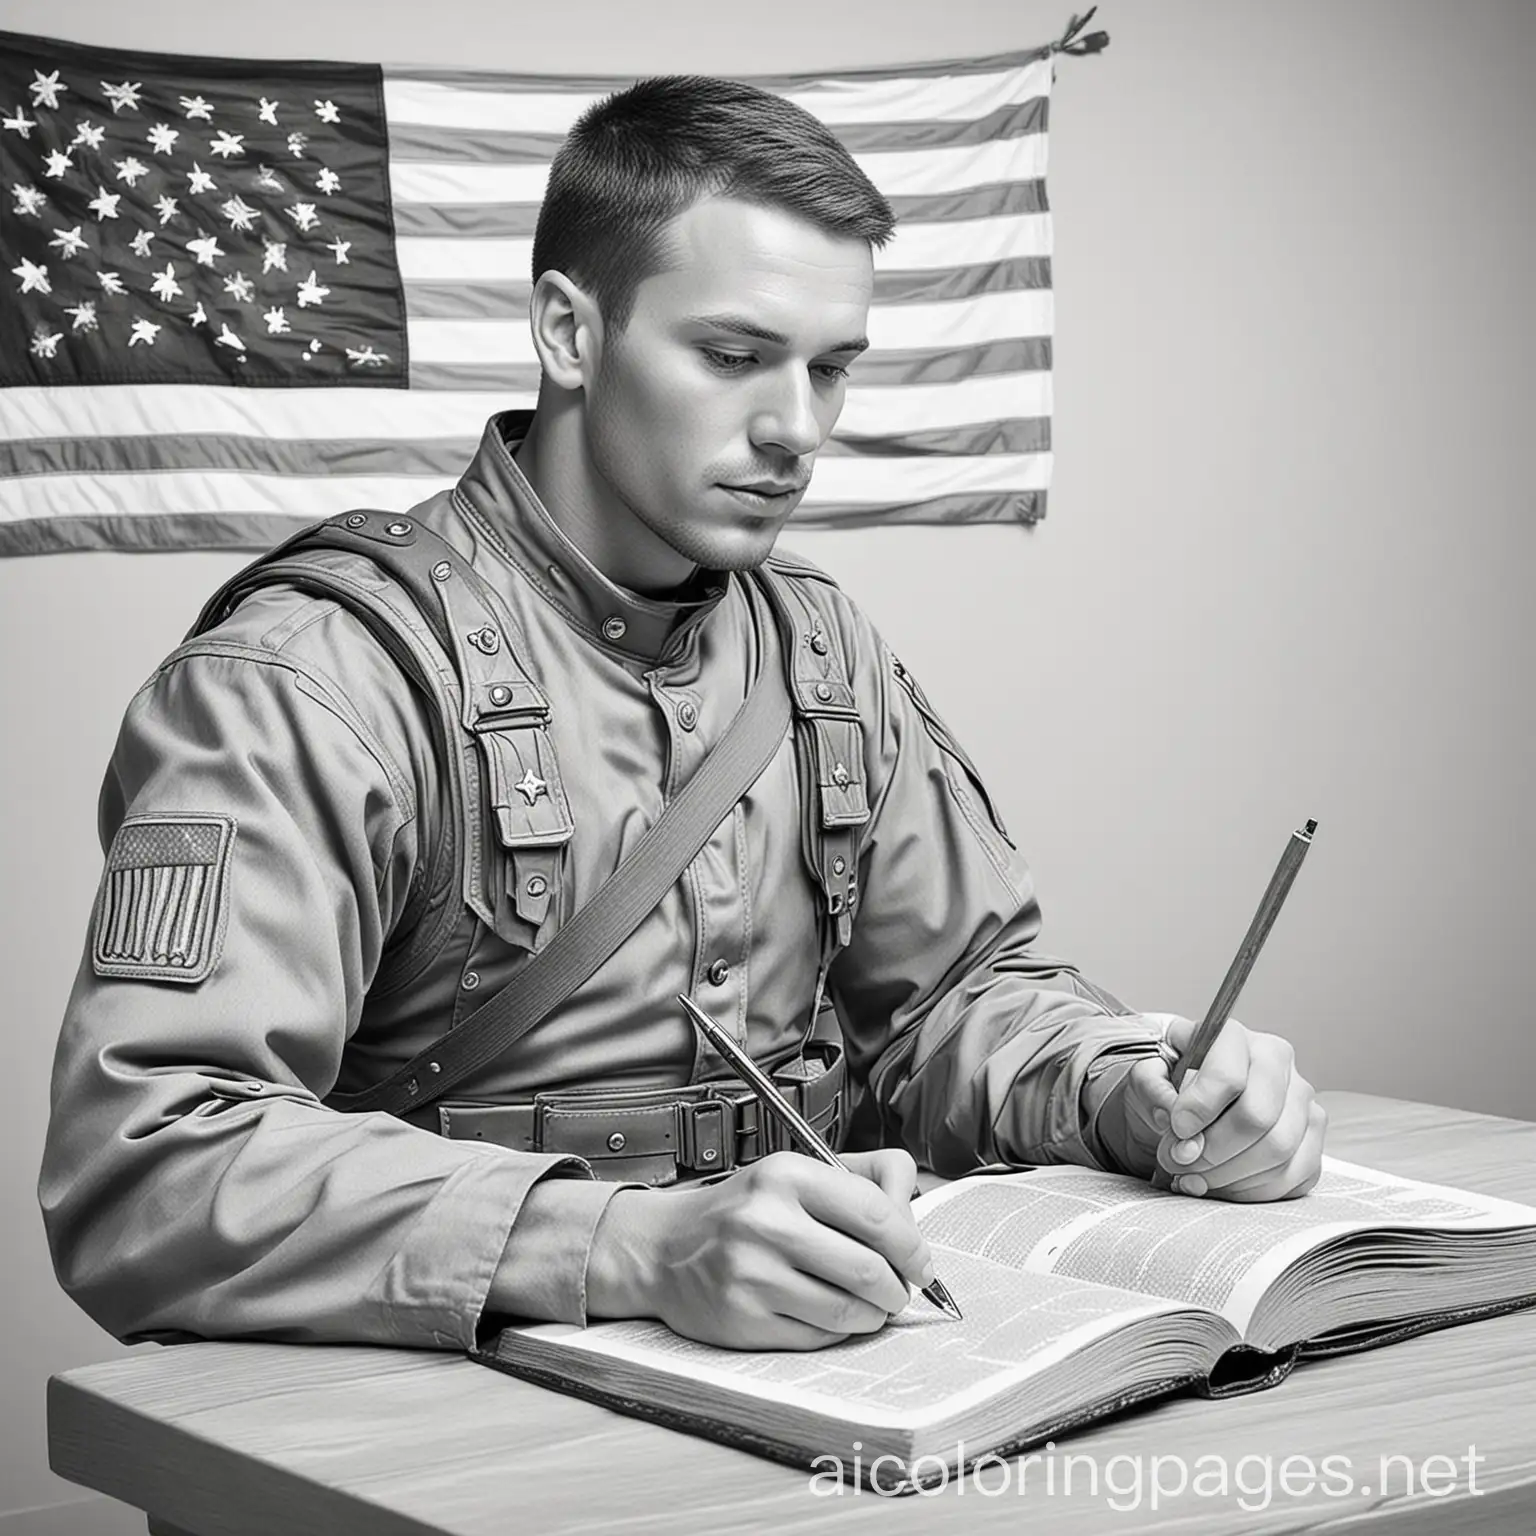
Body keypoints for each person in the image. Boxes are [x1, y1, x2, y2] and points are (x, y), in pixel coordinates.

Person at [40, 76, 1325, 1356]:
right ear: (567, 332)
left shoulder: (820, 652)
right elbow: (146, 1166)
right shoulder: (314, 681)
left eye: (831, 370)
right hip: (424, 1407)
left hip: (808, 1376)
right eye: (732, 357)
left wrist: (1129, 1089)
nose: (796, 429)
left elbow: (955, 1004)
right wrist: (627, 1247)